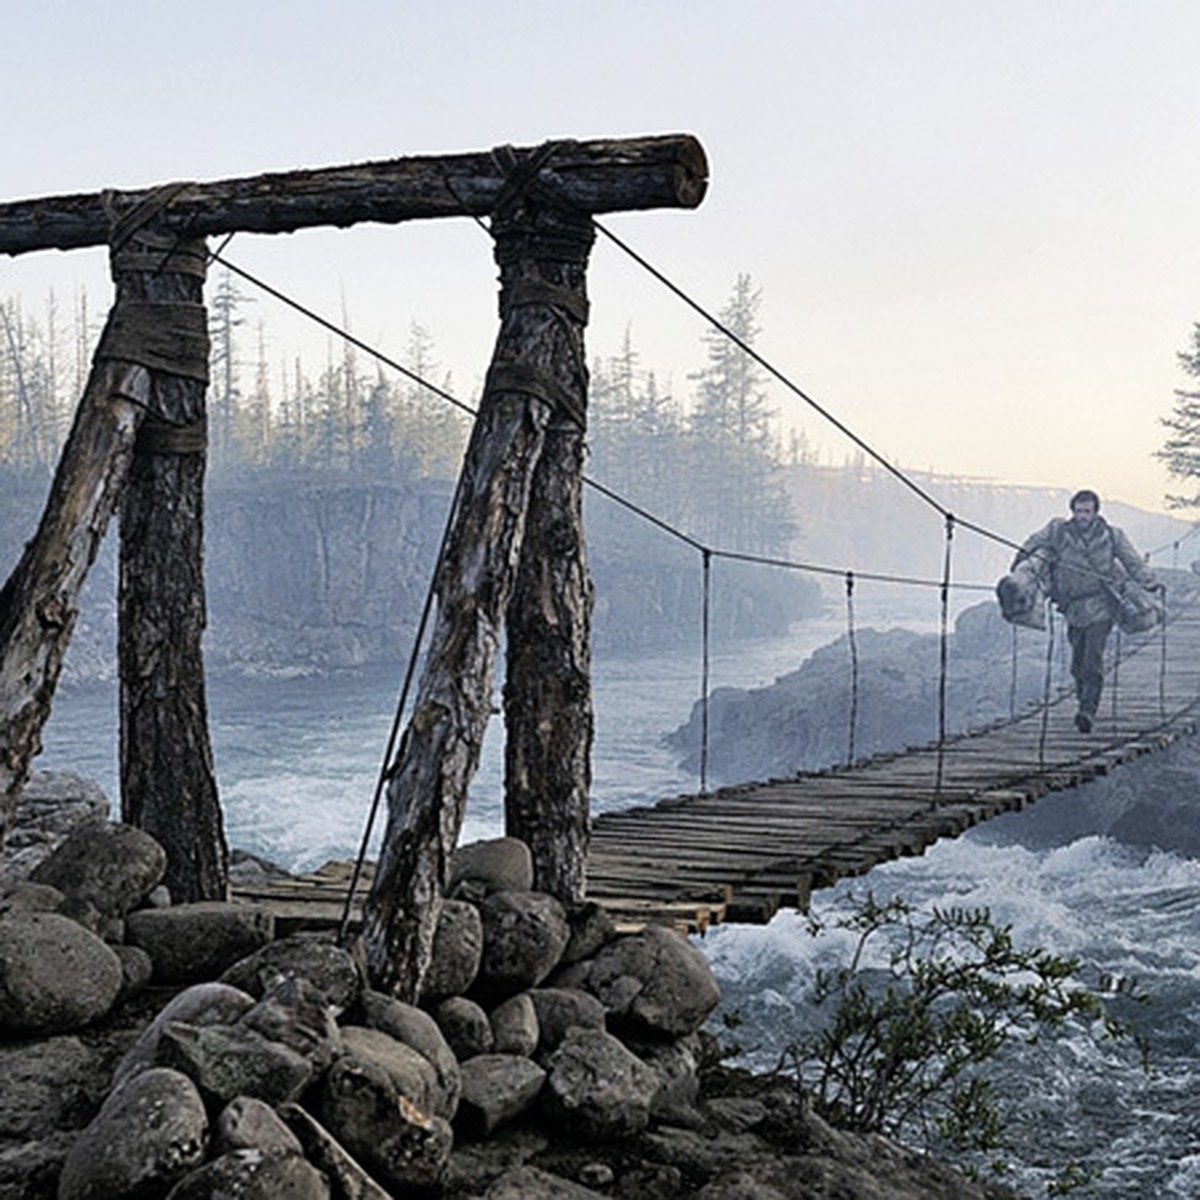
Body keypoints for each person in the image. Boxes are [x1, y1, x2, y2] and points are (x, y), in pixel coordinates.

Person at [1007, 489, 1158, 733]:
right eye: (1078, 511)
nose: (1082, 516)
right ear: (1072, 511)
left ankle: (1088, 709)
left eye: (1087, 511)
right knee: (1077, 663)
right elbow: (1034, 543)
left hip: (1101, 605)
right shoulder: (1058, 532)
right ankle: (1083, 701)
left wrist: (1149, 582)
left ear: (1096, 512)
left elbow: (1133, 561)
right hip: (1073, 608)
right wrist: (1019, 570)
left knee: (1093, 658)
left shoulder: (1111, 536)